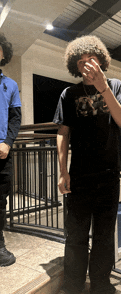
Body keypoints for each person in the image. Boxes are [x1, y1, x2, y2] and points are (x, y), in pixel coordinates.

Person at [53, 35, 121, 294]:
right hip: (79, 175)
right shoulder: (69, 93)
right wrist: (63, 171)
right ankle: (73, 284)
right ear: (74, 67)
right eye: (80, 62)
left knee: (104, 236)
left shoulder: (116, 85)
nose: (86, 65)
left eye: (91, 59)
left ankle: (101, 283)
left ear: (101, 60)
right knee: (75, 235)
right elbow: (63, 133)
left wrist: (104, 88)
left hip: (109, 174)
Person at [0, 33, 22, 267]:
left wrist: (7, 143)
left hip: (2, 153)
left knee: (0, 202)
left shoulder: (11, 85)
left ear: (3, 54)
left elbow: (15, 119)